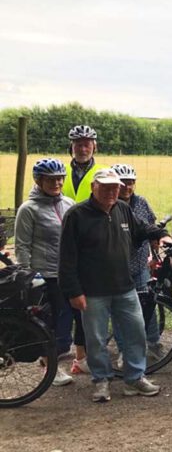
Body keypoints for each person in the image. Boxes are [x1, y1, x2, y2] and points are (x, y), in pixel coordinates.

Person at [59, 169, 172, 402]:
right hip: (92, 292)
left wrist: (161, 234)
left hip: (125, 287)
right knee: (96, 340)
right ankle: (101, 381)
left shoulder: (122, 209)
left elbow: (142, 229)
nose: (111, 191)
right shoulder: (76, 215)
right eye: (106, 187)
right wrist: (73, 291)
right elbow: (66, 259)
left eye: (115, 187)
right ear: (93, 187)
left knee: (135, 333)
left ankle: (135, 379)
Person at [14, 158, 75, 386]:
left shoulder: (68, 203)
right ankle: (51, 365)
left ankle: (58, 356)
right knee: (50, 322)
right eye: (51, 179)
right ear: (38, 180)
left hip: (67, 273)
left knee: (67, 318)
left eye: (60, 178)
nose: (57, 183)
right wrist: (29, 276)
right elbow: (22, 246)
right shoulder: (29, 209)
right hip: (44, 275)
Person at [62, 125, 108, 375]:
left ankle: (85, 354)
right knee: (68, 301)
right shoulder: (60, 172)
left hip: (93, 244)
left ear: (94, 146)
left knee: (89, 303)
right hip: (66, 242)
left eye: (87, 143)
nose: (82, 147)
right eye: (78, 143)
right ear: (71, 147)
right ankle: (75, 353)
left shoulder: (102, 173)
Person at [111, 164, 163, 365]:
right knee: (119, 312)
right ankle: (124, 350)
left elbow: (151, 230)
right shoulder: (109, 203)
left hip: (140, 265)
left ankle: (154, 343)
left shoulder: (141, 202)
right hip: (116, 270)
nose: (127, 187)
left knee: (147, 306)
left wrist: (155, 257)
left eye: (131, 183)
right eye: (123, 183)